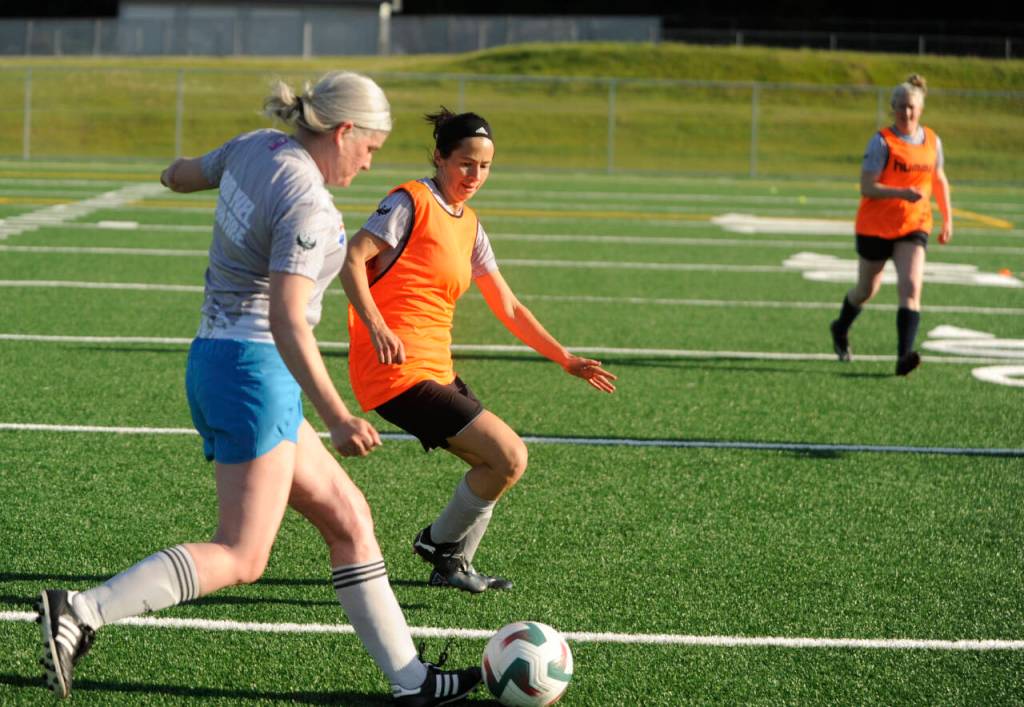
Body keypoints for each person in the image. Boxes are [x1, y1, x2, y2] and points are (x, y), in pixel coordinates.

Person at [36, 72, 481, 706]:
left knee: (350, 519)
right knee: (243, 554)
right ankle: (79, 611)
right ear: (344, 131)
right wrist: (337, 414)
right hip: (254, 372)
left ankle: (411, 682)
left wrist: (173, 176)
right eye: (371, 148)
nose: (368, 162)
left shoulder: (255, 146)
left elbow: (181, 174)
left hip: (220, 361)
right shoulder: (309, 204)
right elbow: (285, 316)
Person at [341, 107, 617, 595]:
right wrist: (377, 325)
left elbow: (507, 304)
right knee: (509, 455)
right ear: (441, 157)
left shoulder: (468, 224)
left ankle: (452, 561)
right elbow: (352, 256)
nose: (475, 175)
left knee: (499, 465)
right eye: (466, 163)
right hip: (396, 371)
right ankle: (438, 545)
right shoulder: (411, 201)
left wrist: (564, 358)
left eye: (485, 166)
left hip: (434, 369)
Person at [829, 73, 953, 376]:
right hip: (875, 226)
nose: (906, 113)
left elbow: (938, 178)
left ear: (920, 108)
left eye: (911, 107)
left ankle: (904, 356)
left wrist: (948, 218)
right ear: (892, 108)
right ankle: (840, 327)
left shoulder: (933, 141)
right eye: (900, 107)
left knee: (911, 286)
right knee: (865, 290)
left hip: (914, 225)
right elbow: (867, 187)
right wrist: (901, 192)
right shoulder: (882, 142)